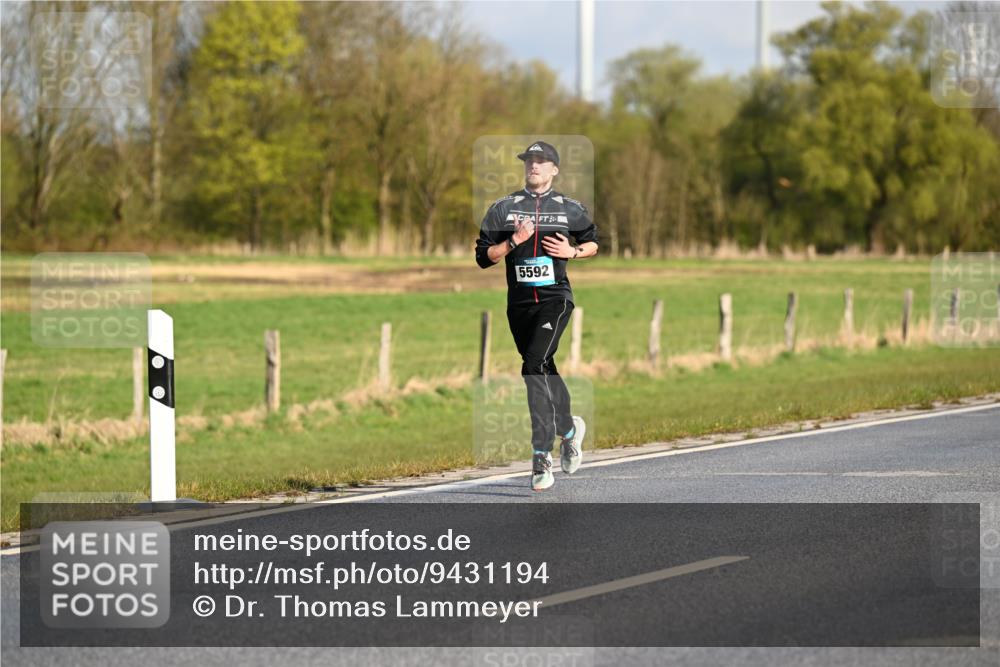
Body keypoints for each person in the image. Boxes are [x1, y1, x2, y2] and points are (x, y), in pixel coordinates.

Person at [475, 140, 599, 491]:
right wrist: (513, 241)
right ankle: (570, 430)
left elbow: (593, 243)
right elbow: (484, 257)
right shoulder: (503, 208)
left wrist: (572, 252)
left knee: (532, 366)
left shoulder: (571, 208)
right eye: (530, 160)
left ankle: (541, 454)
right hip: (519, 306)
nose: (534, 165)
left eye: (541, 161)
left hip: (555, 299)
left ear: (554, 169)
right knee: (542, 366)